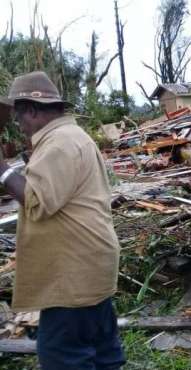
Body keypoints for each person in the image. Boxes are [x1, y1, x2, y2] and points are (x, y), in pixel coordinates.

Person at [0, 71, 125, 370]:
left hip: (72, 273)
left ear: (31, 110)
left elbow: (37, 200)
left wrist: (3, 170)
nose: (19, 125)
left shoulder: (59, 143)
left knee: (62, 355)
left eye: (19, 117)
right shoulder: (71, 136)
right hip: (90, 265)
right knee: (101, 349)